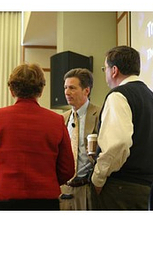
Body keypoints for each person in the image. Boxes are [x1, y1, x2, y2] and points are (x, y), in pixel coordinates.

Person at [0, 63, 75, 210]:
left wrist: (1, 175)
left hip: (4, 197)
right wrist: (48, 180)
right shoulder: (56, 120)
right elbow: (67, 169)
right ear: (41, 91)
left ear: (11, 90)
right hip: (44, 199)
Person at [91, 45, 153, 210]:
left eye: (105, 68)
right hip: (152, 191)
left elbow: (118, 145)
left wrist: (97, 179)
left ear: (114, 70)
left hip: (122, 191)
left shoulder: (118, 96)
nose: (105, 73)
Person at [59, 68, 100, 210]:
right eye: (65, 87)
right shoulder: (62, 118)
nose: (66, 92)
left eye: (72, 88)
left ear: (86, 91)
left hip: (87, 188)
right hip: (65, 189)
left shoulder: (100, 114)